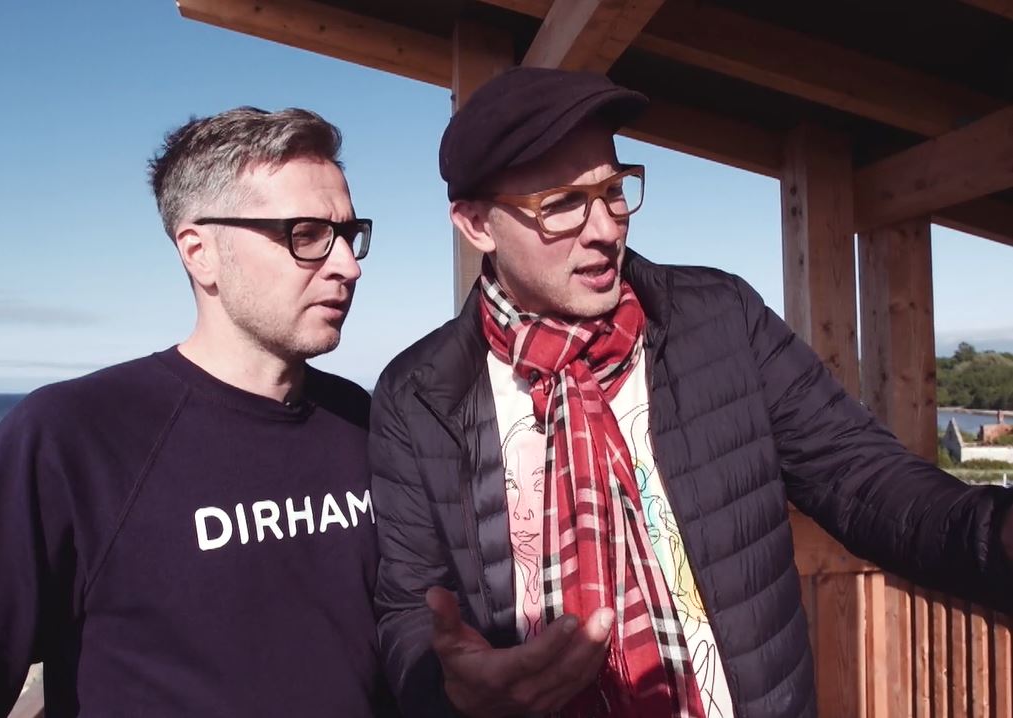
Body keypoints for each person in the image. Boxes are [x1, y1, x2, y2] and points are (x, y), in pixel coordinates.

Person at [369, 67, 1013, 718]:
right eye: (562, 203)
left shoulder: (721, 320)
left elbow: (865, 480)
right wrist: (449, 690)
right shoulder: (419, 397)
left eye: (613, 190)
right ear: (476, 224)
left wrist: (997, 536)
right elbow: (409, 608)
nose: (605, 228)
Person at [0, 107, 391, 716]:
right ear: (200, 253)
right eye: (305, 234)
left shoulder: (360, 418)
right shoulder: (70, 438)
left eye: (349, 234)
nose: (348, 265)